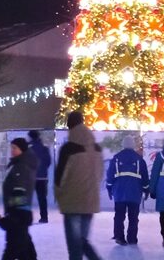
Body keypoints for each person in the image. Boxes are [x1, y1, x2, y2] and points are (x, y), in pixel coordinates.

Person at [54, 111, 104, 260]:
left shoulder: (68, 149)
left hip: (72, 202)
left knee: (75, 246)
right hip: (90, 201)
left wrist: (59, 196)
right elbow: (100, 174)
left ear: (70, 126)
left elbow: (59, 177)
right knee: (82, 241)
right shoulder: (97, 148)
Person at [0, 137, 38, 260]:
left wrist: (11, 213)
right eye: (11, 148)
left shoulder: (21, 167)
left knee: (13, 249)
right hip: (19, 214)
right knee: (25, 250)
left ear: (22, 150)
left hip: (18, 215)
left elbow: (20, 193)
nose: (12, 151)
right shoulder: (18, 164)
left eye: (15, 148)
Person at [106, 135, 148, 246]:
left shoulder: (116, 158)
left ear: (123, 145)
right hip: (135, 194)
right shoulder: (139, 160)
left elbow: (110, 176)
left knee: (119, 216)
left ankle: (119, 237)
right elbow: (145, 177)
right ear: (133, 146)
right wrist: (146, 190)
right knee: (133, 217)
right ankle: (132, 238)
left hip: (119, 193)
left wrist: (109, 188)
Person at [27, 130, 52, 224]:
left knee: (27, 198)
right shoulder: (44, 148)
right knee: (42, 198)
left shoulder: (29, 148)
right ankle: (44, 217)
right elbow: (48, 162)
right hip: (43, 177)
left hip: (31, 177)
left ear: (30, 137)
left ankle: (27, 218)